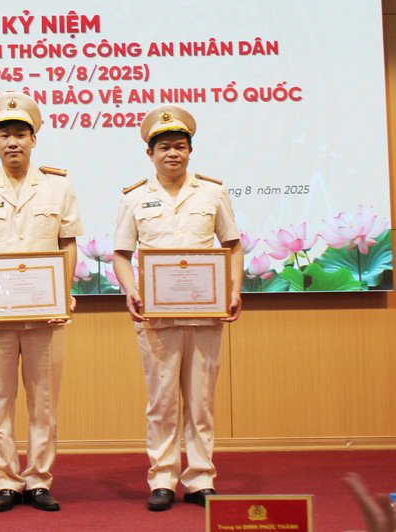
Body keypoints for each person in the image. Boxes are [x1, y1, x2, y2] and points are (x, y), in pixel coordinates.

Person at [112, 104, 244, 512]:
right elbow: (121, 253)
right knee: (162, 400)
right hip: (156, 316)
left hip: (206, 313)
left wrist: (235, 289)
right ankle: (164, 478)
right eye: (164, 146)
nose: (173, 153)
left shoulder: (213, 193)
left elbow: (232, 245)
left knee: (201, 400)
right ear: (150, 154)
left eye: (180, 146)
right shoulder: (135, 198)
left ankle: (201, 478)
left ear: (190, 150)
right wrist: (131, 289)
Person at [0, 92, 83, 512]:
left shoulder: (57, 185)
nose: (13, 142)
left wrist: (63, 292)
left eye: (21, 134)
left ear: (34, 139)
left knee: (43, 398)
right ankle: (7, 479)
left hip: (46, 314)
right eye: (5, 134)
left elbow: (67, 242)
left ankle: (39, 479)